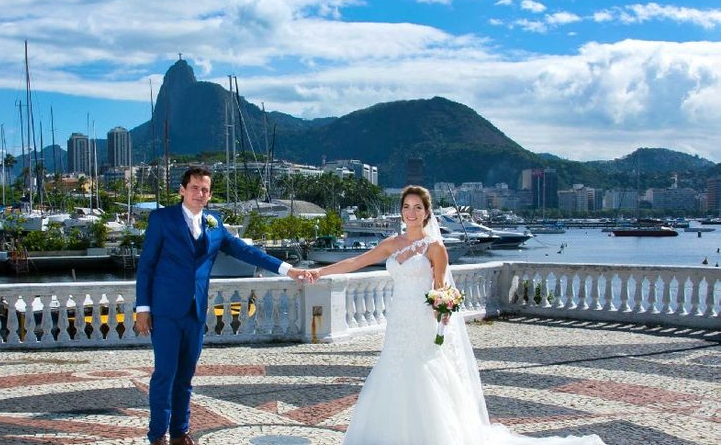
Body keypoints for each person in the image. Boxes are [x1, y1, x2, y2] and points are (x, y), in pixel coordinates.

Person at [303, 186, 605, 445]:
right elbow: (357, 260)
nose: (411, 212)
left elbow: (440, 288)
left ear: (426, 212)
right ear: (401, 211)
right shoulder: (391, 244)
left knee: (423, 370)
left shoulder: (435, 248)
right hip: (398, 319)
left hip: (422, 320)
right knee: (392, 368)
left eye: (417, 208)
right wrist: (319, 271)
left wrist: (443, 310)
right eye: (406, 207)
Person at [135, 166, 308, 445]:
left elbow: (246, 251)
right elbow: (146, 266)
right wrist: (142, 308)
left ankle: (180, 432)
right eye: (194, 188)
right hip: (165, 311)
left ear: (209, 194)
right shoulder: (162, 219)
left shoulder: (214, 223)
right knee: (165, 374)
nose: (199, 194)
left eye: (204, 190)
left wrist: (288, 269)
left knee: (186, 376)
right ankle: (157, 436)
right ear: (182, 190)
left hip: (195, 311)